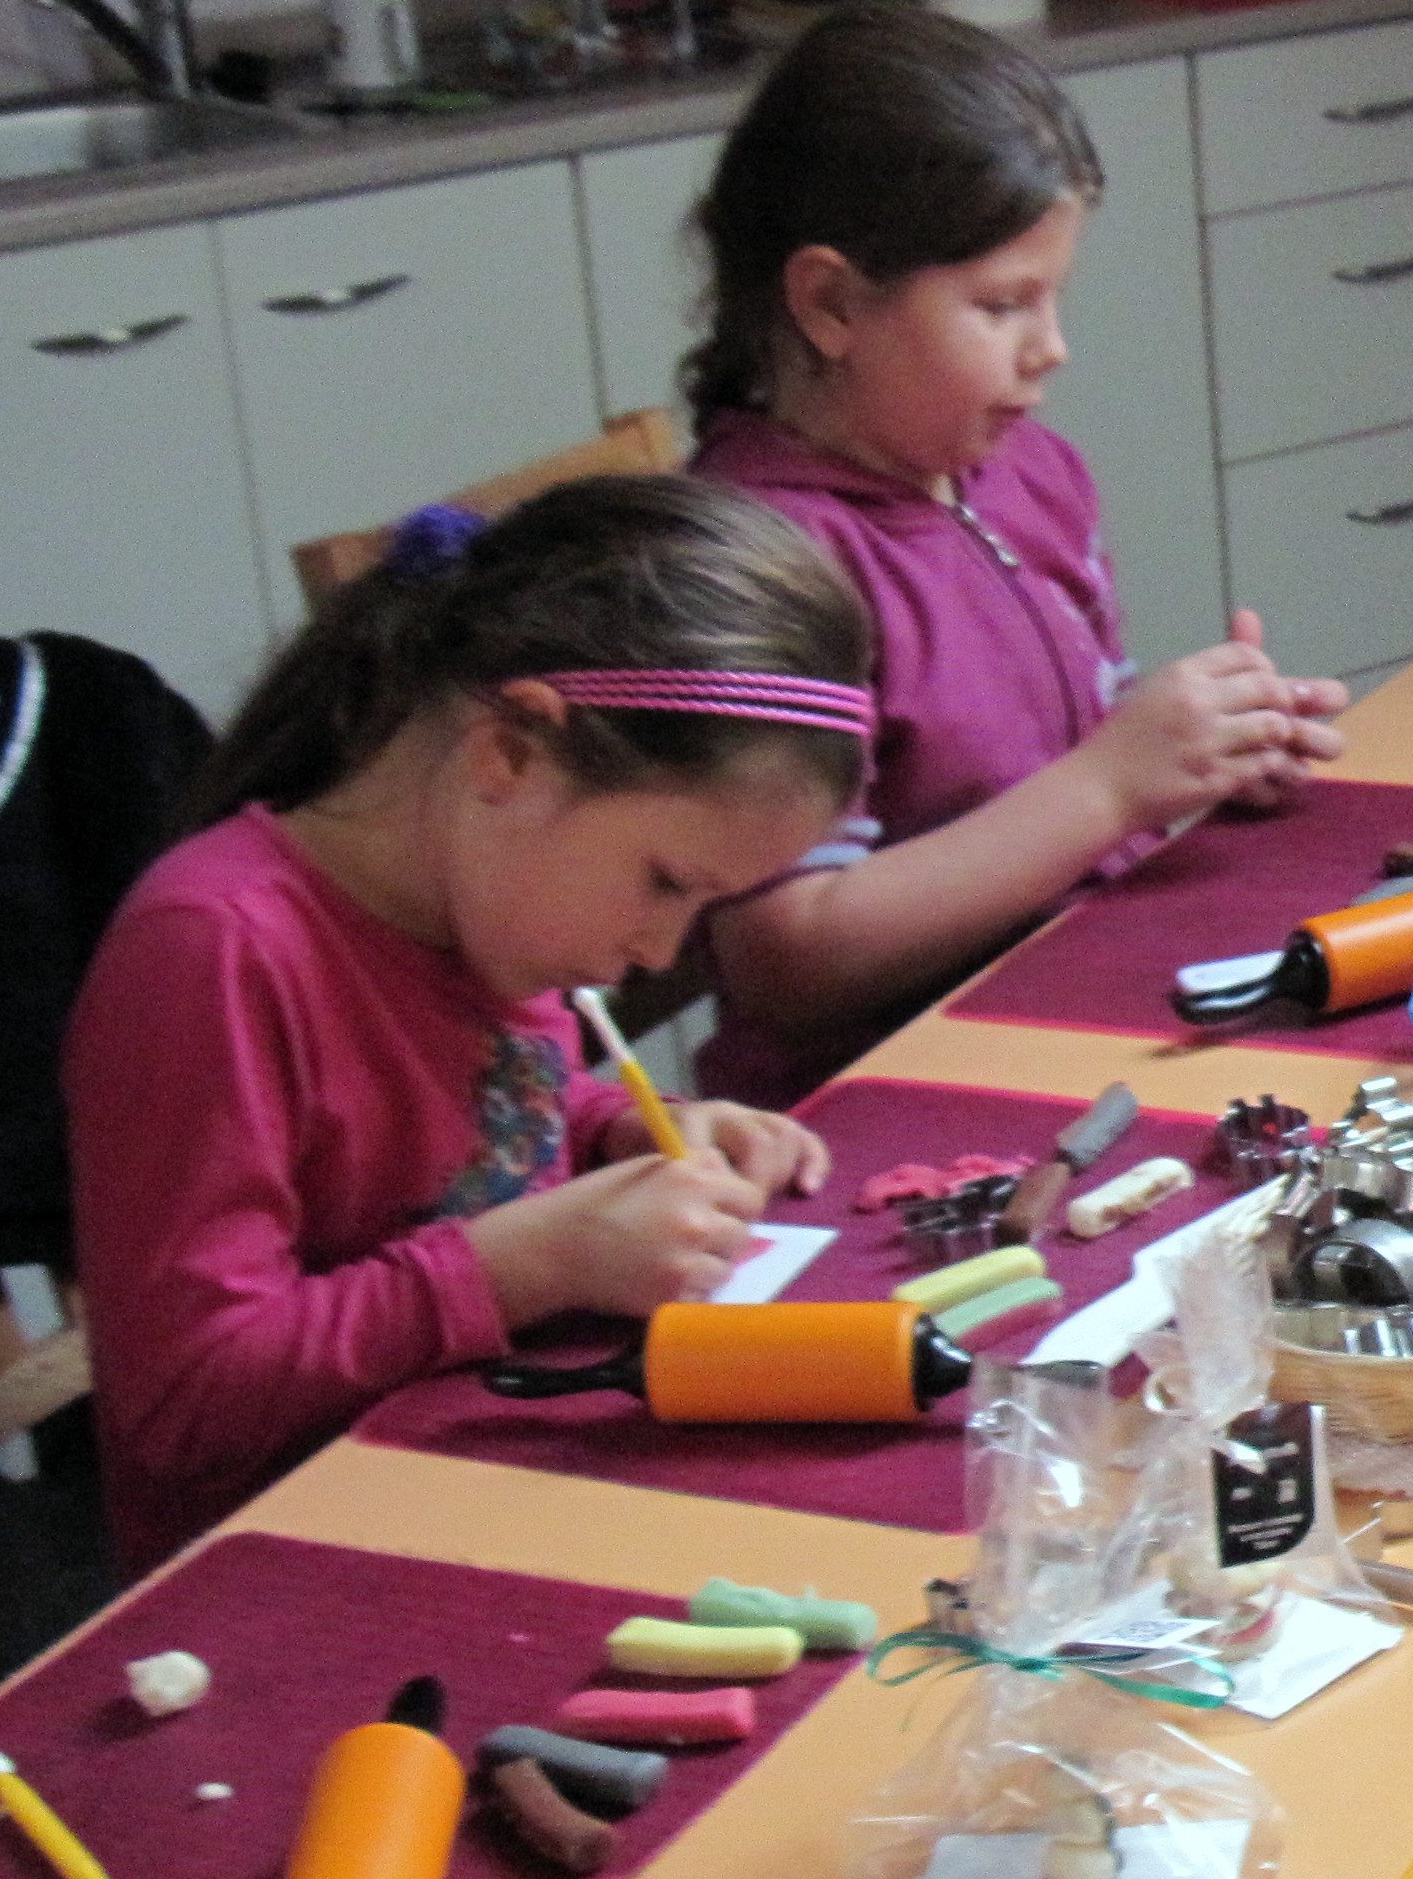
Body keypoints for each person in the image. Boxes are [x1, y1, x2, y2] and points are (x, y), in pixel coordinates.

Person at [69, 476, 874, 1570]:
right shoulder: (213, 951)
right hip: (292, 1569)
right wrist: (524, 1267)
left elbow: (475, 1112)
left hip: (504, 1482)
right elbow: (186, 1404)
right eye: (665, 881)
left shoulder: (486, 898)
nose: (661, 951)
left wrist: (614, 1131)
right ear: (511, 754)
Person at [684, 3, 1348, 1102]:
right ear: (831, 303)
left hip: (1075, 1007)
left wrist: (1206, 757)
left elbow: (1073, 766)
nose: (1052, 349)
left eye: (1054, 299)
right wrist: (1109, 788)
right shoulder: (757, 572)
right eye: (1002, 305)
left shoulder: (1031, 475)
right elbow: (786, 960)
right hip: (874, 1098)